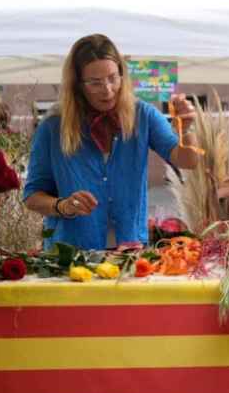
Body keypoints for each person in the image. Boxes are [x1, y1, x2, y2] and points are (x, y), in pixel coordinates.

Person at [23, 34, 199, 249]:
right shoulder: (53, 126)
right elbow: (32, 196)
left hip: (129, 251)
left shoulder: (143, 116)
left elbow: (188, 161)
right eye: (95, 83)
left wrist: (187, 128)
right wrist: (64, 206)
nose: (107, 90)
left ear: (122, 74)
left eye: (113, 78)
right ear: (78, 85)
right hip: (71, 254)